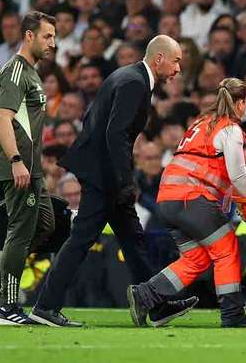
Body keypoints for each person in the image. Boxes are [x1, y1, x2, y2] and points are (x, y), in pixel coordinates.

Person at [30, 35, 196, 327]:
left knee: (133, 240)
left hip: (102, 171)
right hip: (104, 175)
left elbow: (100, 122)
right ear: (159, 58)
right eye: (176, 61)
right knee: (82, 239)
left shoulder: (127, 75)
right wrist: (124, 181)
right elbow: (115, 134)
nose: (179, 69)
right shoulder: (135, 82)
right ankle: (45, 306)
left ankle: (155, 303)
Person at [127, 78, 246, 328]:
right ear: (242, 103)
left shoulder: (200, 124)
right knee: (227, 249)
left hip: (169, 199)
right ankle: (233, 314)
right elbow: (237, 174)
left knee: (196, 259)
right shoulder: (230, 128)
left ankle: (146, 295)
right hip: (193, 200)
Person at [0, 11, 57, 326]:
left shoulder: (31, 73)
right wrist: (17, 160)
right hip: (18, 166)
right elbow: (2, 118)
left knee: (45, 224)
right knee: (20, 232)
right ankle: (6, 307)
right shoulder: (15, 72)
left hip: (32, 168)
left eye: (54, 37)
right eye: (47, 36)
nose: (53, 43)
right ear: (29, 36)